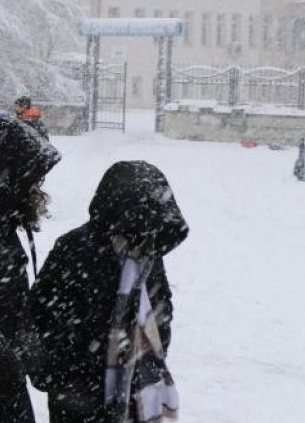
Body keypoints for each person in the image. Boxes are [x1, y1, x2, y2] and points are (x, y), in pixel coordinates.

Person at [32, 161, 189, 423]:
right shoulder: (75, 247)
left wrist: (148, 358)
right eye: (143, 212)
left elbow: (161, 309)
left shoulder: (148, 252)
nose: (148, 224)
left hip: (135, 389)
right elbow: (40, 311)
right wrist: (56, 373)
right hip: (77, 392)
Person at [0, 116, 60, 423]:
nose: (37, 189)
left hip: (0, 383)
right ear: (6, 177)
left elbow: (13, 311)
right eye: (31, 179)